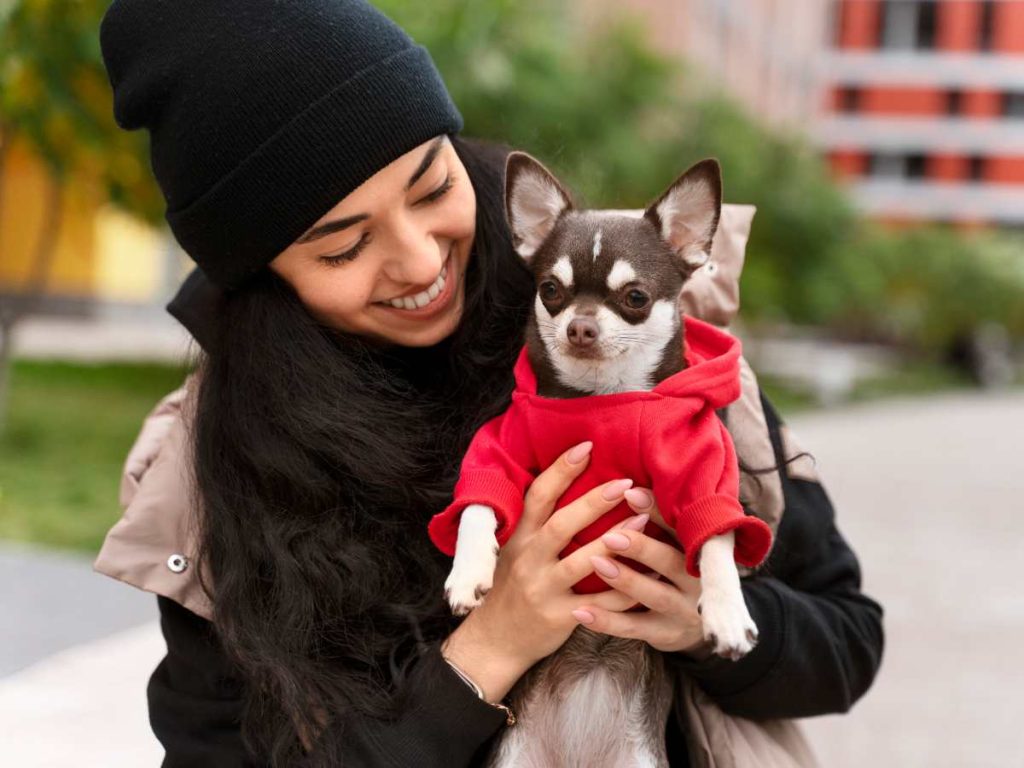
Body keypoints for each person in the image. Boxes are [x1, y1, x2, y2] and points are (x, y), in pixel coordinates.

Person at [96, 1, 884, 766]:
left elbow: (848, 639)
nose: (417, 260)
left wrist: (698, 619)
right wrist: (490, 647)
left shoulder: (665, 342)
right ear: (261, 276)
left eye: (432, 187)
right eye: (343, 246)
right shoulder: (217, 466)